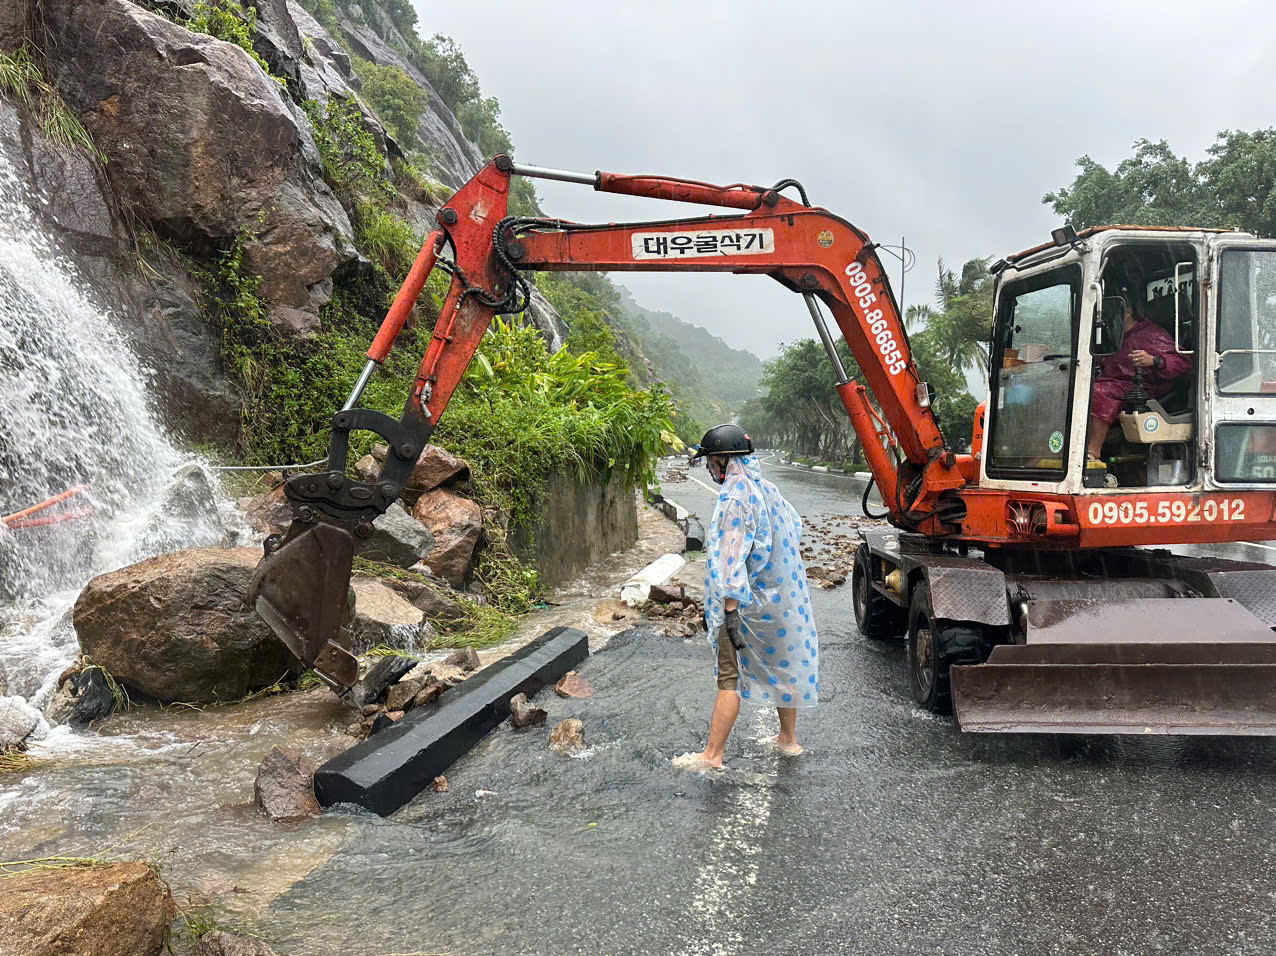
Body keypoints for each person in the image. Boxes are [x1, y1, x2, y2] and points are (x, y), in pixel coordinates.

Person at [690, 424, 819, 767]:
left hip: (745, 606)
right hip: (778, 601)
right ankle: (788, 739)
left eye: (710, 461)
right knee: (783, 667)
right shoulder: (767, 488)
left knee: (728, 677)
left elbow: (731, 557)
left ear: (721, 460)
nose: (709, 468)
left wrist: (730, 610)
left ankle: (712, 755)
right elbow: (792, 528)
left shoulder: (735, 497)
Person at [1086, 293, 1191, 465]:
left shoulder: (1151, 334)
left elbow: (1184, 362)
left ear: (1127, 312)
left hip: (1141, 387)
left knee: (1098, 392)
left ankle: (1092, 452)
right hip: (1113, 382)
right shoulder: (1114, 336)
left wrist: (1155, 360)